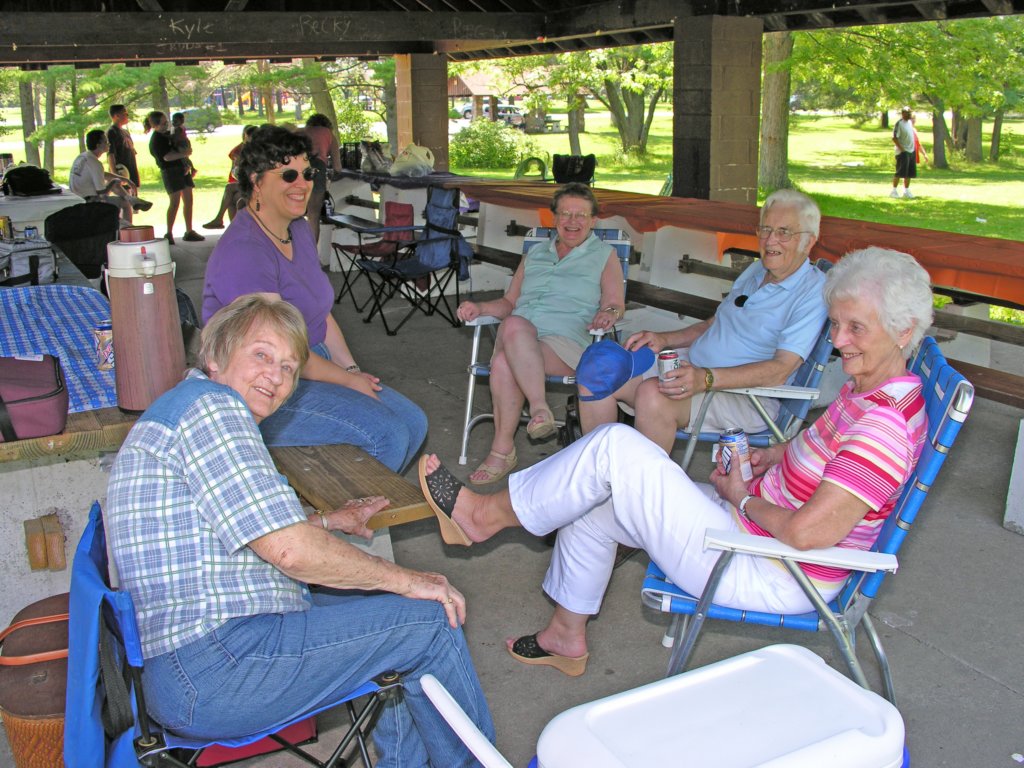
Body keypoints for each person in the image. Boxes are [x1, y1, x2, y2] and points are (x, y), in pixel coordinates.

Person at [419, 246, 933, 677]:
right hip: (757, 539)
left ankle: (482, 518)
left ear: (903, 331)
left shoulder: (881, 427)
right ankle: (565, 636)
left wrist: (744, 497)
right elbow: (821, 457)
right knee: (597, 498)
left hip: (773, 569)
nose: (840, 341)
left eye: (856, 329)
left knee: (616, 448)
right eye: (837, 325)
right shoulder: (872, 390)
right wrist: (771, 455)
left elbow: (806, 534)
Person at [106, 294, 494, 766]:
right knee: (430, 619)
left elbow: (237, 530)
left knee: (382, 602)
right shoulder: (213, 411)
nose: (276, 376)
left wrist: (329, 522)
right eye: (262, 355)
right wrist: (414, 581)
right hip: (219, 667)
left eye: (289, 367)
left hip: (197, 661)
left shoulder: (189, 406)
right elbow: (289, 552)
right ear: (215, 354)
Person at [202, 125, 427, 473]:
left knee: (414, 422)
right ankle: (340, 520)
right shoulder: (245, 251)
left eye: (307, 173)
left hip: (309, 362)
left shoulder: (296, 230)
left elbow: (321, 313)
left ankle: (361, 509)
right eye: (288, 174)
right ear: (256, 181)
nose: (302, 184)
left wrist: (350, 369)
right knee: (388, 434)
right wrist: (347, 381)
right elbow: (275, 354)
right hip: (261, 383)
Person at [579, 188, 828, 456]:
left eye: (784, 232)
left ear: (809, 241)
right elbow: (714, 323)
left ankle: (643, 493)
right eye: (765, 229)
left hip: (747, 397)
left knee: (654, 394)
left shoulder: (813, 292)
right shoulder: (758, 270)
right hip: (696, 367)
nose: (770, 241)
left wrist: (706, 378)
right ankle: (599, 476)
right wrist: (664, 339)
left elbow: (781, 369)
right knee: (599, 365)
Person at [456, 183, 625, 485]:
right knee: (510, 344)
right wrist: (479, 307)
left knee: (510, 338)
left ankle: (516, 434)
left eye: (580, 215)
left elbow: (615, 304)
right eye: (565, 214)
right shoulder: (535, 254)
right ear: (554, 218)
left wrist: (607, 314)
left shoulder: (604, 255)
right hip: (519, 339)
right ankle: (527, 423)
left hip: (566, 344)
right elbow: (509, 303)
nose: (572, 222)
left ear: (592, 221)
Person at [144, 110, 204, 244]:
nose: (167, 125)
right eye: (164, 123)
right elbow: (167, 157)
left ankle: (189, 230)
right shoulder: (157, 140)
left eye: (167, 122)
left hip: (182, 169)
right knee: (175, 202)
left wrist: (187, 161)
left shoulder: (168, 134)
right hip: (170, 171)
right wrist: (185, 154)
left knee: (188, 200)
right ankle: (169, 232)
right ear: (155, 125)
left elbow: (177, 145)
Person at [68, 128, 152, 224]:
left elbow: (101, 174)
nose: (109, 143)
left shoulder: (84, 157)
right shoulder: (95, 163)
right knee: (125, 203)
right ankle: (128, 227)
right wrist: (115, 181)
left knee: (114, 182)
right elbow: (101, 193)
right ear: (98, 145)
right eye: (105, 141)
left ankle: (133, 201)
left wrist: (122, 179)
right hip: (89, 202)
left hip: (78, 197)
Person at [203, 124, 256, 229]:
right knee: (232, 197)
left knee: (232, 192)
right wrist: (238, 164)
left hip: (256, 185)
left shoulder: (258, 152)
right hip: (247, 183)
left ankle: (221, 220)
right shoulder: (241, 150)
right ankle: (232, 227)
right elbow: (236, 173)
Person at [301, 113, 342, 244]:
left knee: (295, 216)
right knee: (313, 216)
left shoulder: (302, 131)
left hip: (298, 170)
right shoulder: (329, 135)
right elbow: (338, 167)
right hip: (317, 170)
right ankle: (312, 256)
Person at [106, 104, 140, 188]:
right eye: (125, 113)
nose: (127, 115)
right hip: (122, 172)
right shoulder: (111, 132)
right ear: (117, 116)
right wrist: (116, 175)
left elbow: (132, 152)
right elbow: (110, 154)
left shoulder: (125, 132)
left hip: (131, 171)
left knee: (133, 198)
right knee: (125, 199)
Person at [891, 107, 917, 199]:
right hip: (903, 151)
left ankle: (906, 191)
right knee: (900, 172)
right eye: (907, 113)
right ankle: (893, 191)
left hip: (911, 150)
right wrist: (902, 149)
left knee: (909, 173)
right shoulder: (899, 124)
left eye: (910, 112)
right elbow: (894, 138)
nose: (909, 114)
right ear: (903, 113)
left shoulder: (909, 123)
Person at [170, 111, 199, 179]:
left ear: (181, 121)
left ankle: (188, 167)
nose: (174, 122)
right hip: (183, 143)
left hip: (182, 143)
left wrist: (169, 137)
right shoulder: (174, 128)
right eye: (173, 120)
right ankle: (191, 168)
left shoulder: (178, 128)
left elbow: (175, 137)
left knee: (183, 156)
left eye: (176, 121)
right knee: (185, 157)